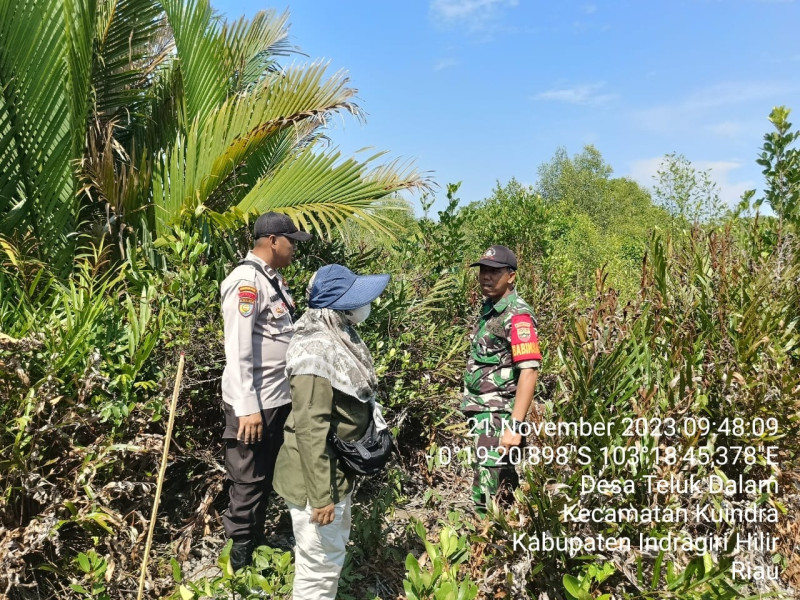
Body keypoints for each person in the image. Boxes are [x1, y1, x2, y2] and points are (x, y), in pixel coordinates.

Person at [274, 264, 390, 600]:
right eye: (355, 299)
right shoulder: (315, 351)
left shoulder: (335, 337)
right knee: (319, 568)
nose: (363, 306)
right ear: (338, 306)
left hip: (333, 472)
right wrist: (321, 497)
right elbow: (309, 428)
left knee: (329, 557)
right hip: (316, 482)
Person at [219, 211, 312, 570]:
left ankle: (256, 547)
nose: (294, 249)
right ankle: (237, 564)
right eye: (291, 242)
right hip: (255, 403)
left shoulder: (271, 279)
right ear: (272, 241)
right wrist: (247, 408)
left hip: (276, 398)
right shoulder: (246, 282)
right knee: (248, 480)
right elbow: (237, 349)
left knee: (265, 477)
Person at [462, 245, 542, 515]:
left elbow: (529, 371)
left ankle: (489, 536)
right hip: (485, 413)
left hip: (500, 416)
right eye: (483, 270)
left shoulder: (517, 316)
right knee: (496, 487)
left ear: (511, 276)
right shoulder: (491, 309)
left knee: (490, 495)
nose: (486, 276)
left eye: (494, 272)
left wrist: (515, 426)